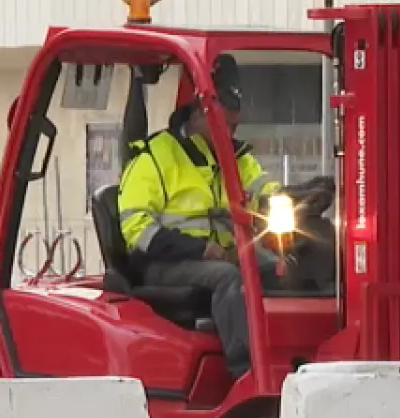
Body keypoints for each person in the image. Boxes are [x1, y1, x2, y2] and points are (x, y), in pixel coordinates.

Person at [117, 55, 280, 377]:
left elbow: (262, 185)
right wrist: (198, 249)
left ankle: (283, 358)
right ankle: (247, 371)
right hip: (163, 264)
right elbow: (138, 230)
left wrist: (285, 200)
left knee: (278, 269)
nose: (230, 133)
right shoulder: (153, 159)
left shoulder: (229, 155)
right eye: (225, 125)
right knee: (228, 277)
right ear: (200, 114)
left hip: (219, 254)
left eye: (234, 126)